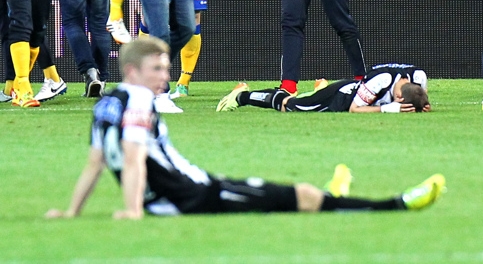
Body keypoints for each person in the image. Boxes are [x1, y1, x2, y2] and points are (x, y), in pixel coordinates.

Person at [44, 37, 445, 219]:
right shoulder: (139, 101)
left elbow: (97, 162)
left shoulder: (108, 104)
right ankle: (396, 204)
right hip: (194, 196)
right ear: (132, 71)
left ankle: (332, 195)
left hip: (183, 195)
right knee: (296, 196)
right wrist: (133, 212)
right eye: (158, 69)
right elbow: (132, 160)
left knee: (292, 198)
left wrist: (70, 212)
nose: (165, 75)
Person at [216, 63, 430, 113]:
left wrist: (424, 105)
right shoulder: (381, 82)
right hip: (343, 96)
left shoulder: (418, 77)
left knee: (295, 103)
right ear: (399, 97)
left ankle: (320, 89)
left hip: (352, 92)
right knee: (290, 106)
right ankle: (242, 96)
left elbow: (422, 98)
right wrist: (385, 108)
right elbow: (354, 109)